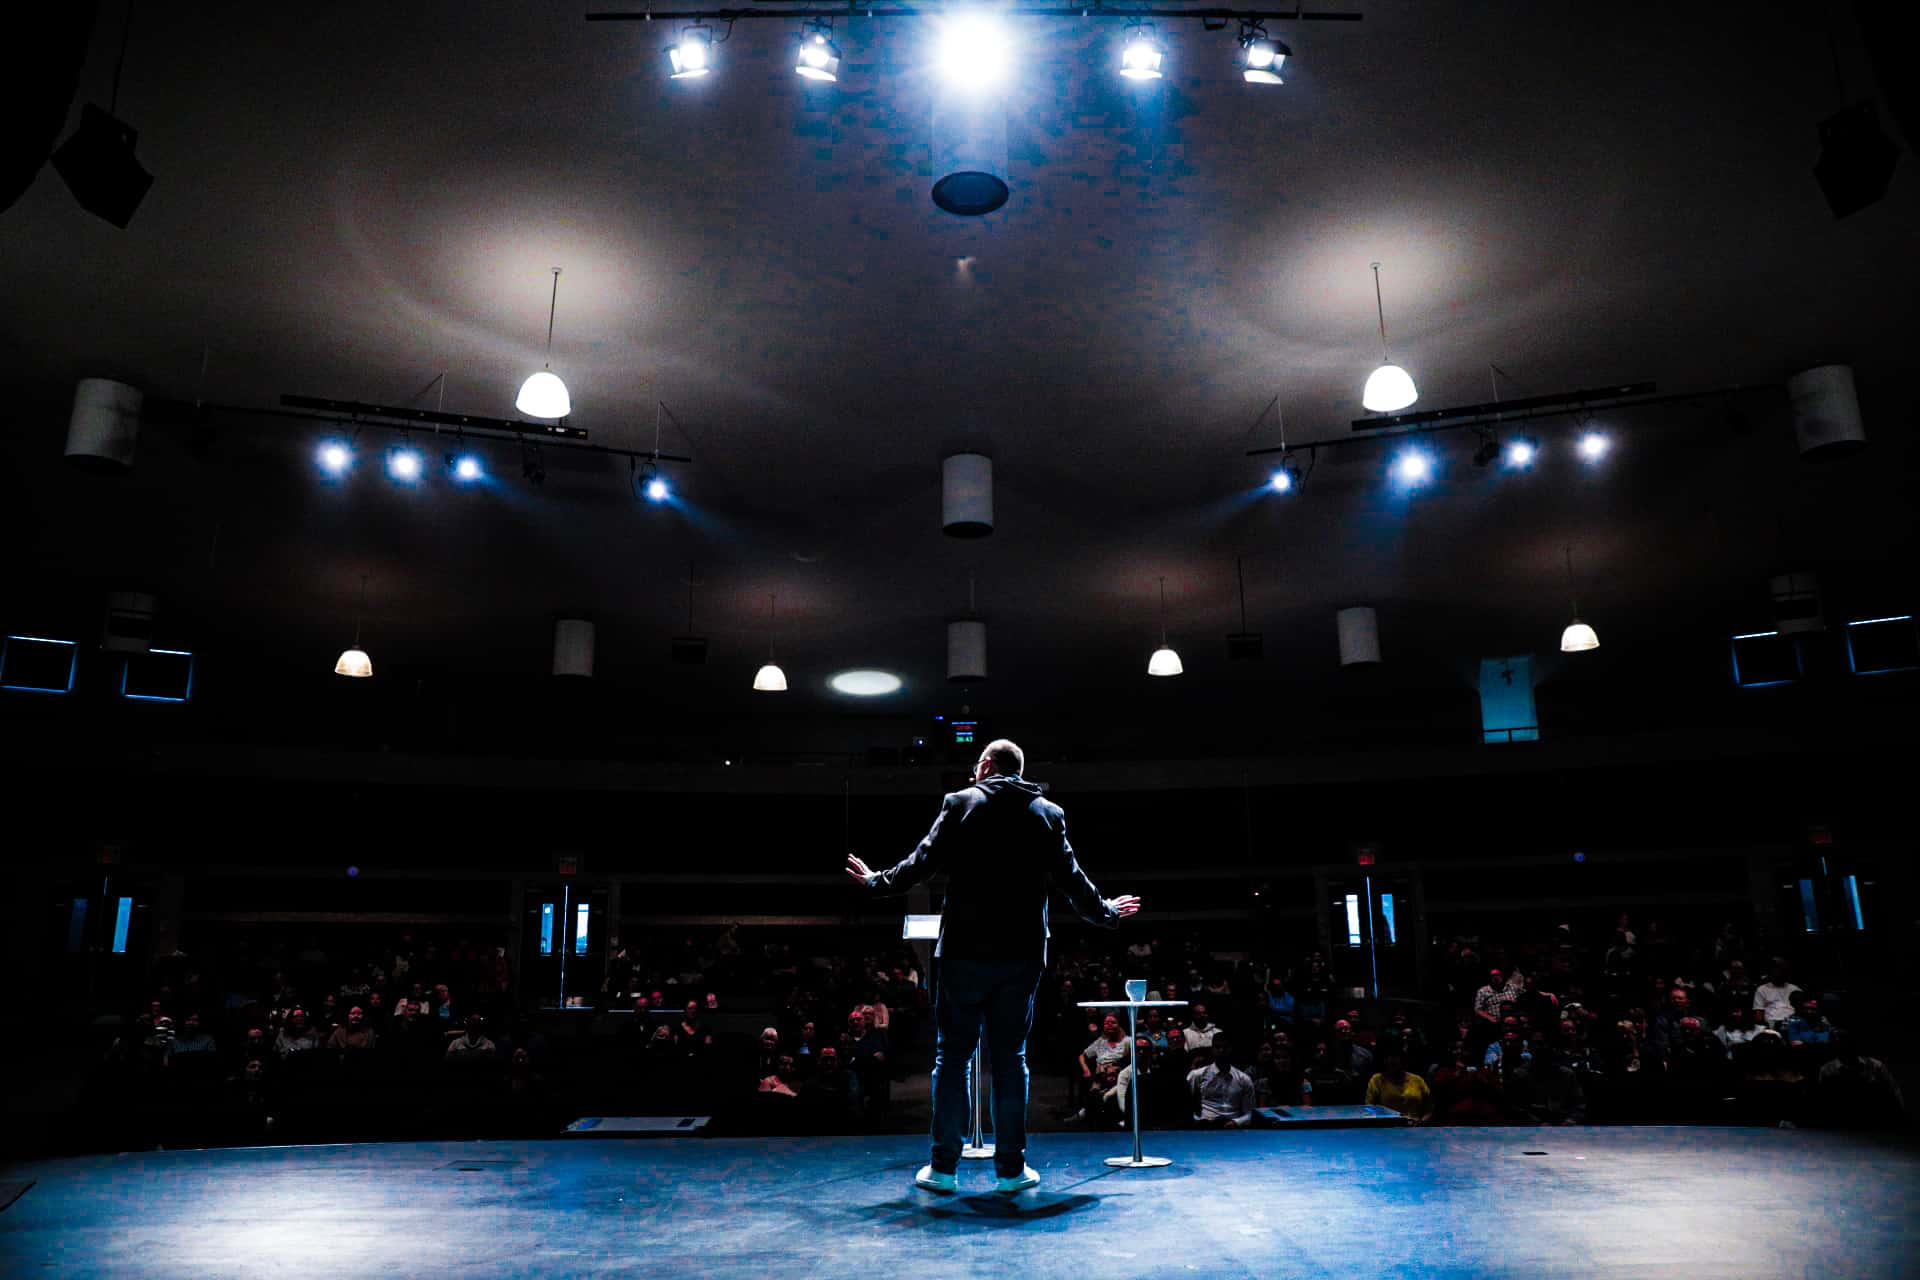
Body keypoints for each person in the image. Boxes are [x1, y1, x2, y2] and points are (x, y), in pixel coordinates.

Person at [847, 737, 1141, 1196]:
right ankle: (1010, 1171)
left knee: (953, 1060)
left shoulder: (960, 803)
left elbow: (919, 865)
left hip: (964, 953)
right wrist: (1106, 911)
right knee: (1011, 1061)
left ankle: (943, 1169)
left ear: (986, 765)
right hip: (1021, 957)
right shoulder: (1049, 814)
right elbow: (1072, 882)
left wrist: (873, 881)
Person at [1188, 1035, 1255, 1127]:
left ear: (1231, 1049)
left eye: (1225, 1047)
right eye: (1218, 1047)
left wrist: (1236, 1122)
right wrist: (1199, 1121)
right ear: (1212, 1050)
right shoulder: (1197, 1075)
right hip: (1205, 1126)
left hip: (1233, 1127)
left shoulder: (1244, 1079)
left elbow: (1249, 1113)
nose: (1221, 1051)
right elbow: (1185, 1106)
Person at [1364, 1046, 1434, 1124]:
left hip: (1415, 1128)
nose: (1391, 1060)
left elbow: (1429, 1109)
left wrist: (1421, 1122)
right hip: (1388, 1128)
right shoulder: (1376, 1080)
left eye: (1395, 1057)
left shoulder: (1417, 1080)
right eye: (1387, 1058)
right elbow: (1370, 1109)